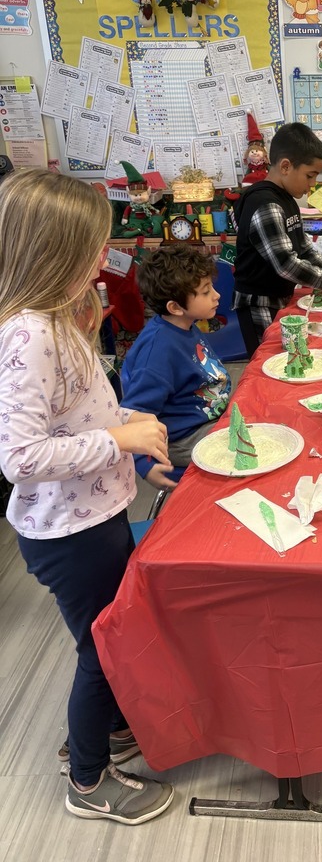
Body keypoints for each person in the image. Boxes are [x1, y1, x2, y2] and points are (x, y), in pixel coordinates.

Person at [0, 169, 174, 824]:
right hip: (68, 536)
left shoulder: (59, 318)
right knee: (102, 647)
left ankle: (102, 730)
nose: (106, 258)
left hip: (94, 514)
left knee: (112, 635)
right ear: (55, 254)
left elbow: (82, 416)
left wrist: (134, 445)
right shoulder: (30, 336)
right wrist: (118, 442)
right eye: (93, 248)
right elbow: (18, 458)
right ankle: (88, 780)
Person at [232, 122, 322, 355]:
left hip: (280, 297)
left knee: (292, 356)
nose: (312, 184)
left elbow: (304, 249)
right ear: (285, 166)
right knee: (272, 359)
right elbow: (286, 264)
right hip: (259, 303)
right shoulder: (265, 204)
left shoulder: (287, 199)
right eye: (310, 176)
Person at [121, 246, 232, 490]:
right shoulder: (158, 351)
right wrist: (143, 464)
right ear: (174, 307)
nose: (217, 296)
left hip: (207, 419)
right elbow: (132, 414)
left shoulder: (186, 324)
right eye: (206, 292)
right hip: (184, 437)